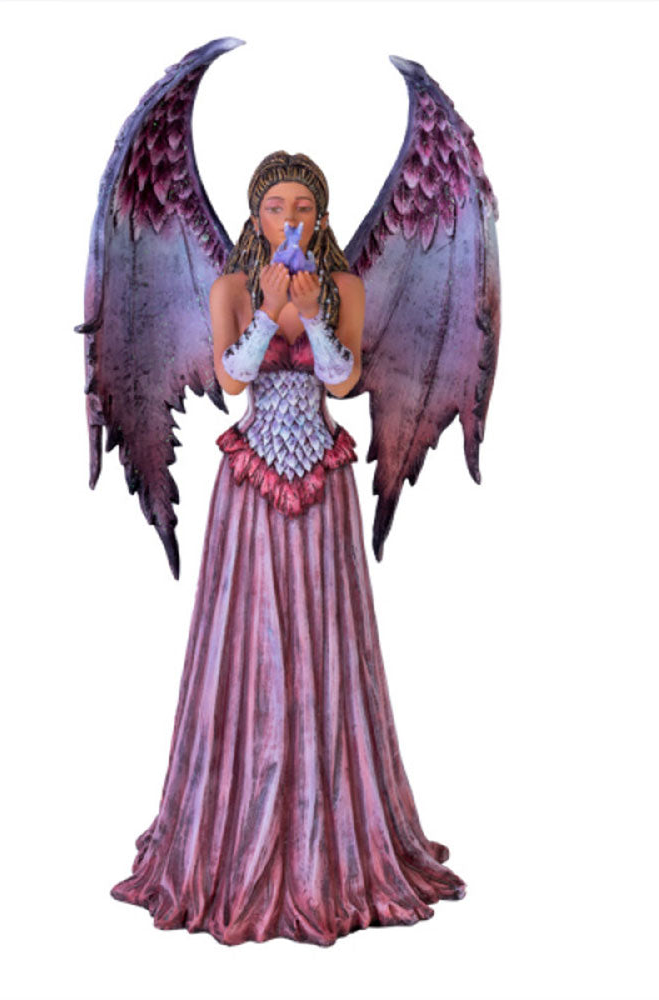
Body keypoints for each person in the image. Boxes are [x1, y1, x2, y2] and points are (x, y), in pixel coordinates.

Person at [111, 152, 465, 946]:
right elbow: (233, 381)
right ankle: (233, 822)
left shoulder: (346, 289)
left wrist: (315, 312)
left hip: (323, 480)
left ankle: (334, 828)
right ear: (256, 218)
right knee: (245, 643)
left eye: (303, 206)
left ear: (322, 218)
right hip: (251, 484)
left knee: (326, 642)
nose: (290, 219)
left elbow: (341, 383)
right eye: (277, 207)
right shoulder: (232, 289)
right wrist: (270, 310)